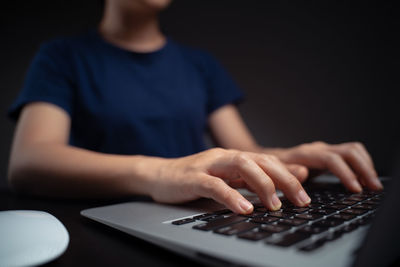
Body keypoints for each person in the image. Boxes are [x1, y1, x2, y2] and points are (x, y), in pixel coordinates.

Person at [7, 0, 382, 215]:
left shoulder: (199, 64)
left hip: (191, 215)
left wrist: (290, 154)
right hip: (99, 222)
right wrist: (158, 172)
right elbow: (29, 163)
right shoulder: (62, 57)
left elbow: (244, 153)